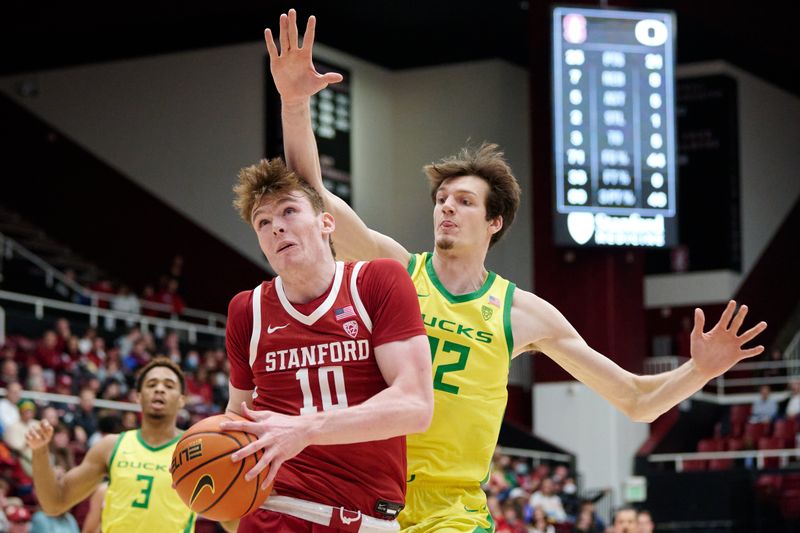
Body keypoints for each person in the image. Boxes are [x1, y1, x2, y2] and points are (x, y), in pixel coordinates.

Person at [267, 9, 769, 531]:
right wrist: (295, 103)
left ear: (494, 221)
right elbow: (310, 197)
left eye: (463, 200)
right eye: (441, 198)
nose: (446, 208)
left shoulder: (524, 313)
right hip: (368, 494)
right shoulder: (393, 269)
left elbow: (636, 400)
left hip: (450, 509)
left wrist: (701, 372)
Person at [218, 156, 433, 532]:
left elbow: (414, 405)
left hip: (369, 519)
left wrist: (305, 428)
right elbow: (239, 419)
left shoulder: (377, 281)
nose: (276, 228)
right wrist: (214, 476)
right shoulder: (246, 310)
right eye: (263, 223)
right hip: (275, 511)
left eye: (288, 211)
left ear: (326, 222)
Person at [25, 358, 196, 532]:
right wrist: (40, 450)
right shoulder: (110, 446)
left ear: (182, 399)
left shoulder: (195, 450)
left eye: (169, 385)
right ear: (138, 396)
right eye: (152, 384)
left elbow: (226, 521)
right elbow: (55, 503)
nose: (159, 389)